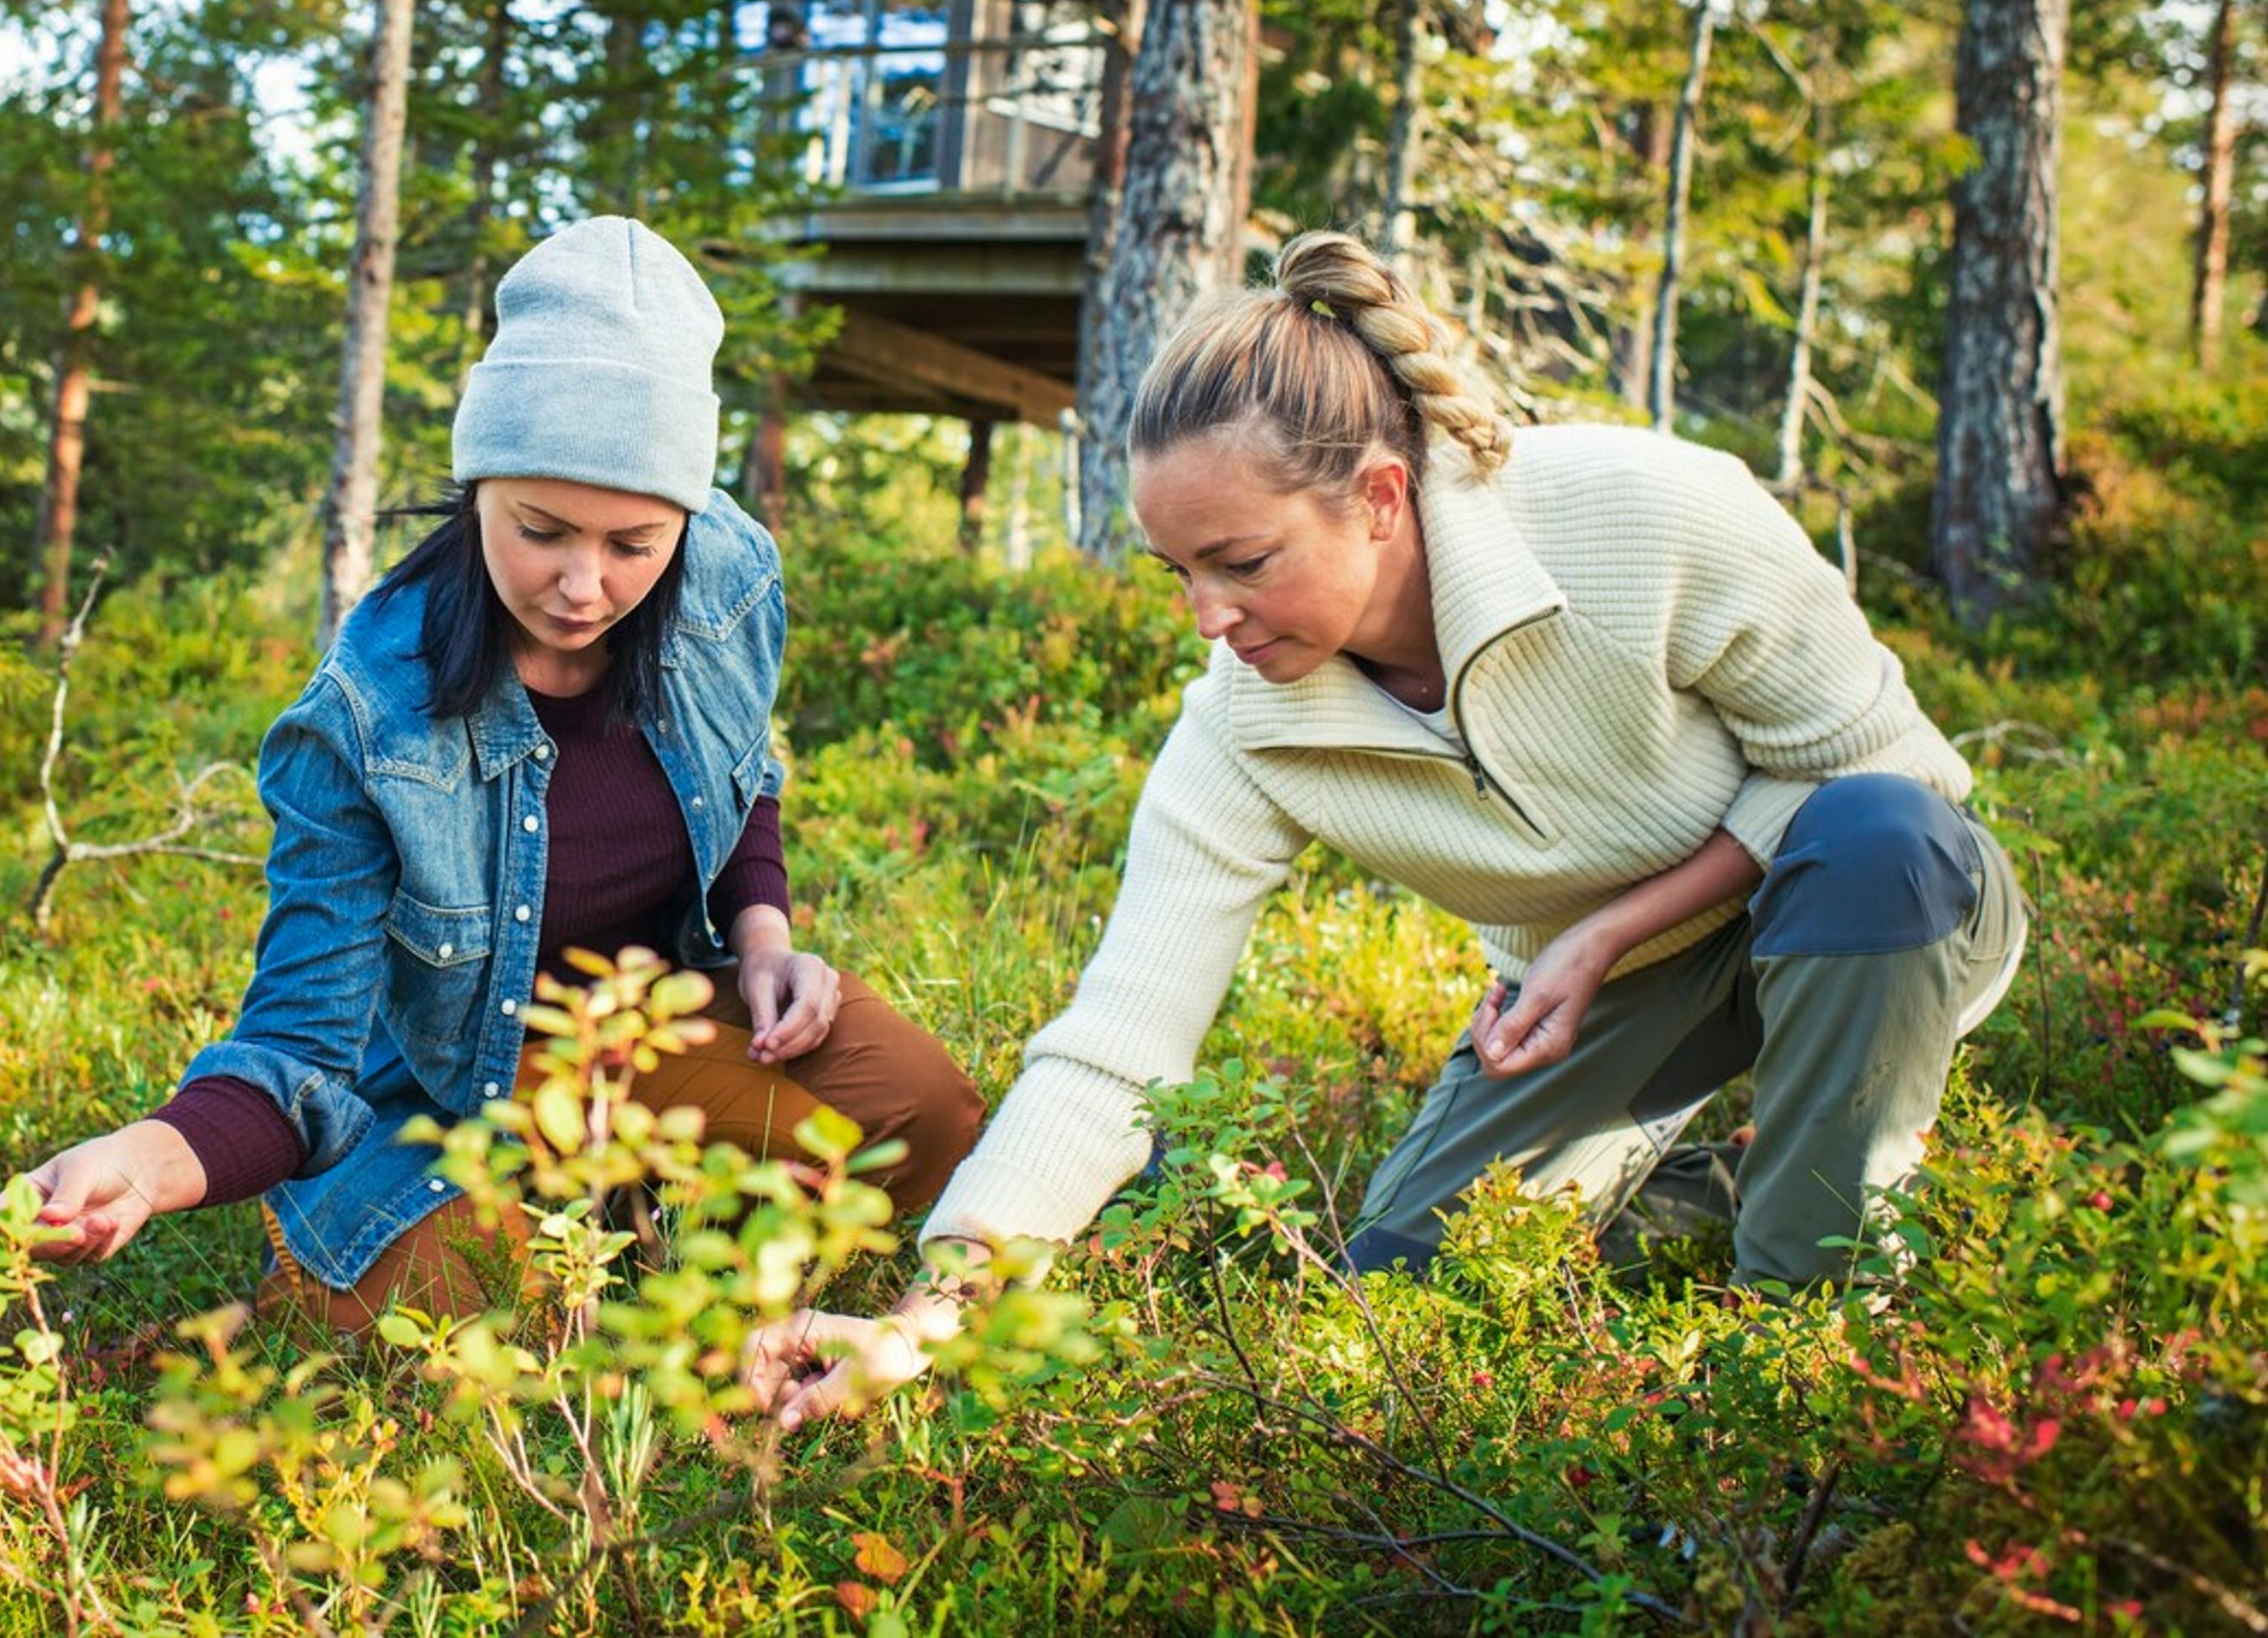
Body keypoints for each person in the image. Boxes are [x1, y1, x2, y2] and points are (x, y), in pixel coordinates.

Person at [745, 230, 2028, 1422]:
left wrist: (1598, 936)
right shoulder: (1246, 730)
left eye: (1242, 562)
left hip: (1875, 917)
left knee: (1874, 837)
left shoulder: (1646, 511)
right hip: (1619, 999)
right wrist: (930, 1318)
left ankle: (1805, 1363)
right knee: (1408, 1293)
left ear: (1379, 495)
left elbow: (1885, 769)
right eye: (1177, 572)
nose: (1208, 616)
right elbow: (1116, 1047)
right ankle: (1727, 1180)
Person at [16, 216, 984, 1334]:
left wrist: (763, 937)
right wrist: (152, 1157)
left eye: (634, 541)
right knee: (502, 1332)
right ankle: (315, 1279)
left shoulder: (727, 579)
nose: (585, 583)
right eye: (542, 529)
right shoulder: (369, 716)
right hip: (442, 1086)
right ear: (479, 487)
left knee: (930, 1119)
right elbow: (300, 1050)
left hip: (644, 1029)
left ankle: (623, 1199)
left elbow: (744, 774)